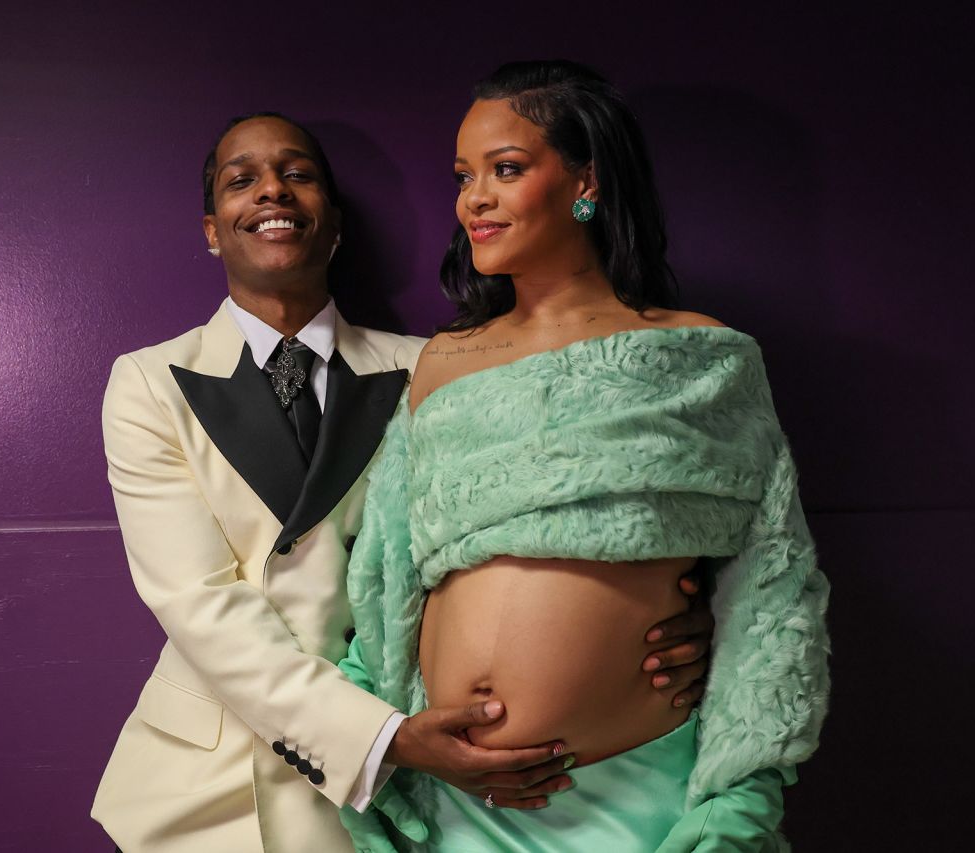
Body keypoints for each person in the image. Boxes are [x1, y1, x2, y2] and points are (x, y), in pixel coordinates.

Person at [90, 111, 716, 852]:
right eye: (241, 180)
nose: (272, 192)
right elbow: (197, 601)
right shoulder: (147, 381)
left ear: (335, 223)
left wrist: (663, 625)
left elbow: (530, 533)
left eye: (298, 175)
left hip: (417, 789)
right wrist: (384, 736)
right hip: (215, 783)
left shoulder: (437, 365)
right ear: (211, 228)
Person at [340, 61, 830, 852]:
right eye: (464, 175)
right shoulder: (443, 362)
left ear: (585, 181)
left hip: (636, 798)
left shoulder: (701, 358)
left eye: (506, 169)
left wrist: (741, 794)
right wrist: (391, 734)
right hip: (455, 797)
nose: (474, 198)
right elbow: (386, 576)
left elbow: (774, 593)